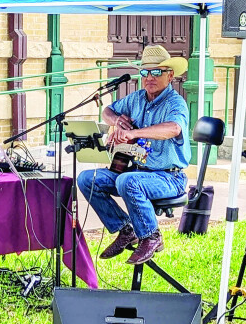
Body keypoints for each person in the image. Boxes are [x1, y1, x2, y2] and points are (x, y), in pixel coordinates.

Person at [77, 45, 191, 265]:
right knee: (87, 179)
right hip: (137, 170)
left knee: (127, 180)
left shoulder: (176, 103)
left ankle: (152, 236)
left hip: (169, 177)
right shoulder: (136, 99)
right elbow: (107, 111)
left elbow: (174, 128)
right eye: (145, 72)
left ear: (170, 75)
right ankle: (125, 229)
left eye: (156, 72)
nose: (149, 77)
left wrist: (132, 132)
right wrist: (116, 122)